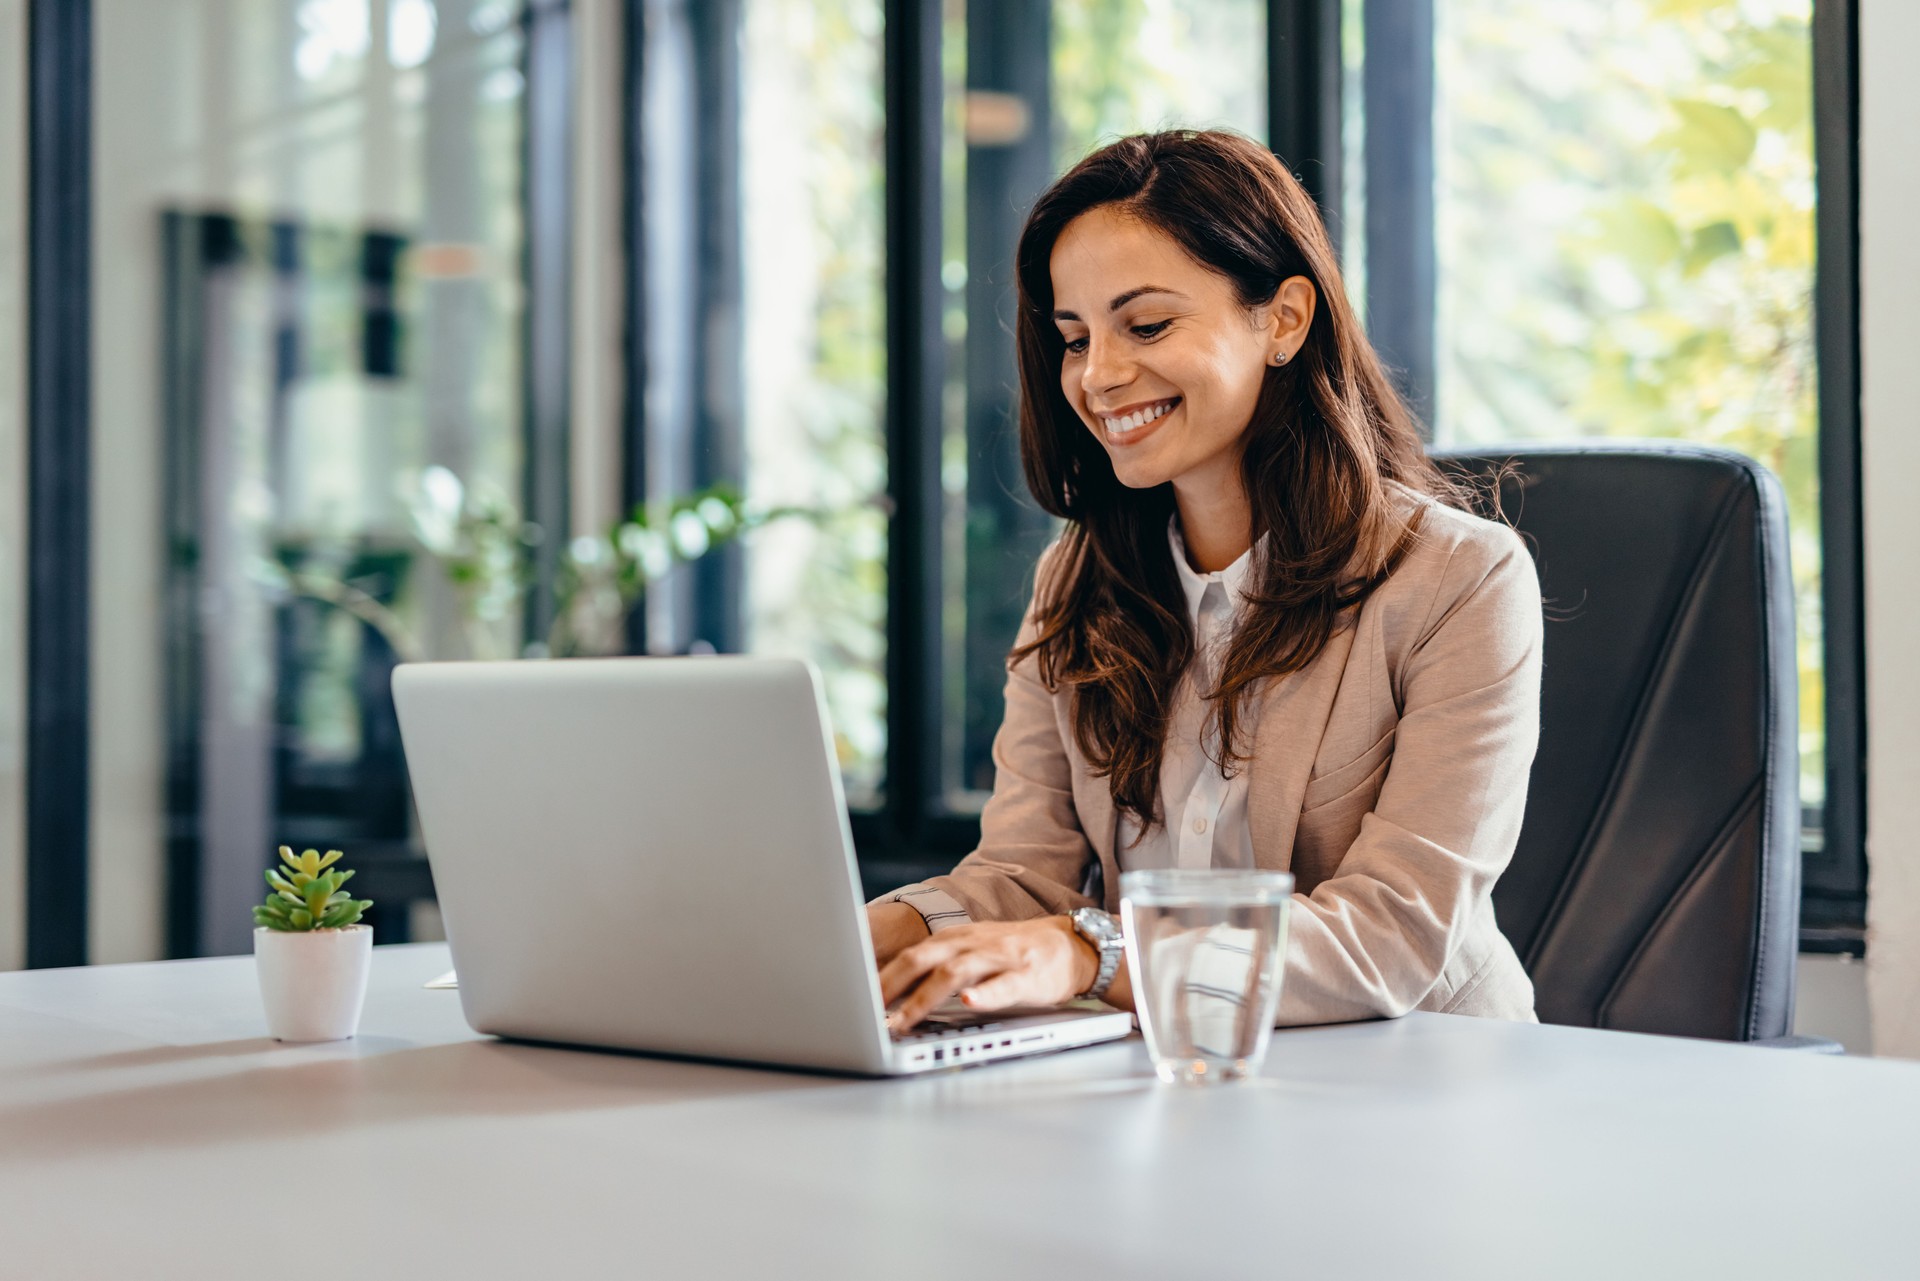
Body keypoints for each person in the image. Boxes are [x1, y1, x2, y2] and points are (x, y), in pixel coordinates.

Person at [870, 128, 1543, 1033]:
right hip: (1171, 1083)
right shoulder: (1079, 578)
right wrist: (861, 934)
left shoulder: (1459, 580)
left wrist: (1091, 951)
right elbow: (1022, 875)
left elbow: (1393, 936)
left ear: (1285, 321)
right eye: (1075, 338)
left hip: (1413, 1081)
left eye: (1147, 325)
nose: (1100, 376)